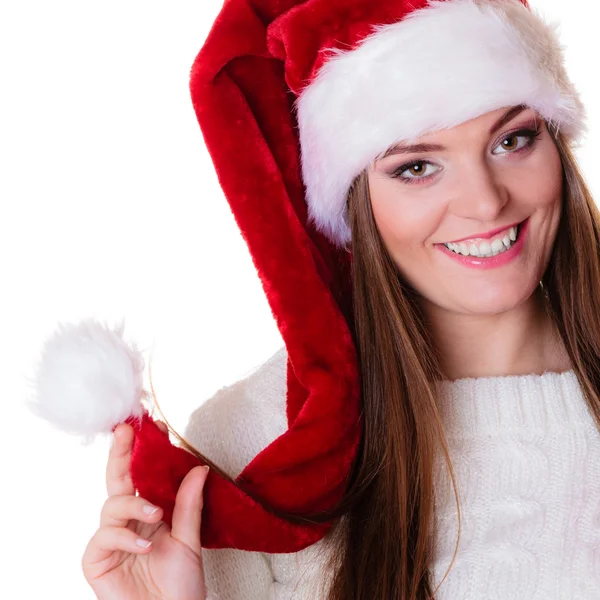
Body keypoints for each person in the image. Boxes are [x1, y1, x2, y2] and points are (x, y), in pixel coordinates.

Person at [81, 0, 600, 598]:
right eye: (416, 167)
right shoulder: (251, 450)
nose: (485, 203)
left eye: (513, 139)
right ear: (354, 205)